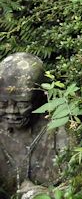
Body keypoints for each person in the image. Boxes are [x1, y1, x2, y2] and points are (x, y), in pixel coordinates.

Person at [0, 53, 67, 199]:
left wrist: (46, 194)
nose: (11, 111)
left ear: (41, 97)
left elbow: (81, 183)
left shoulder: (59, 128)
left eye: (22, 104)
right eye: (2, 103)